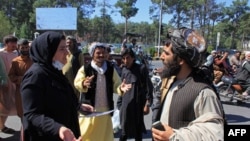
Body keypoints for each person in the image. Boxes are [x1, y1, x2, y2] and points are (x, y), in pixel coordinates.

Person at [151, 27, 224, 141]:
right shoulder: (173, 82)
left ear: (180, 60)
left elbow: (215, 134)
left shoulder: (203, 93)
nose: (161, 57)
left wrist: (175, 137)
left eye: (166, 53)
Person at [20, 31, 94, 141]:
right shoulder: (35, 76)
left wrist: (78, 106)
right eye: (62, 49)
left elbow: (63, 96)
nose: (67, 53)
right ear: (48, 51)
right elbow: (32, 114)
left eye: (67, 48)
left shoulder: (55, 72)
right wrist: (58, 128)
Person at [74, 42, 130, 141]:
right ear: (92, 54)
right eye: (98, 53)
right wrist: (83, 83)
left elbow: (117, 84)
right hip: (89, 110)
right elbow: (77, 82)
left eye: (103, 53)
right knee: (86, 136)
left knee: (104, 137)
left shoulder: (110, 69)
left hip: (105, 112)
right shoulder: (85, 69)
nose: (101, 55)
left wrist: (121, 88)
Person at [118, 47, 153, 141]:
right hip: (126, 105)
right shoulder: (124, 70)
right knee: (124, 131)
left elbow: (148, 87)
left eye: (128, 58)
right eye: (124, 58)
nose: (126, 61)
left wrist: (147, 104)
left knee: (138, 131)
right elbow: (121, 88)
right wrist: (120, 104)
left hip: (137, 105)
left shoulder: (141, 69)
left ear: (133, 58)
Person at [8, 38, 33, 120]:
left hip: (33, 90)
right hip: (20, 91)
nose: (25, 50)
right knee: (22, 114)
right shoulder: (15, 62)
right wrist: (22, 79)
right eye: (23, 48)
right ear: (18, 48)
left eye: (26, 47)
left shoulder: (34, 60)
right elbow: (11, 76)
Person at [0, 35, 18, 134]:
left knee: (9, 106)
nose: (14, 45)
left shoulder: (17, 53)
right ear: (6, 43)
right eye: (12, 43)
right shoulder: (0, 54)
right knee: (2, 106)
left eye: (15, 43)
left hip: (13, 84)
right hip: (3, 84)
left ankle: (2, 126)